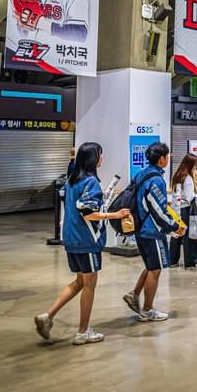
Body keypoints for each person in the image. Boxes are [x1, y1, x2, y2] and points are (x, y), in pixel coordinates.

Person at [34, 142, 131, 345]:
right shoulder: (90, 182)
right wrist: (116, 214)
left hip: (71, 239)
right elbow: (89, 214)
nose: (102, 159)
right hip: (86, 241)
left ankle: (48, 316)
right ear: (93, 159)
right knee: (89, 285)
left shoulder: (72, 181)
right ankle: (82, 331)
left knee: (80, 282)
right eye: (100, 155)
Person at [123, 142, 183, 322]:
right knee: (155, 270)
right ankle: (147, 310)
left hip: (141, 229)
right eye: (168, 155)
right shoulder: (156, 179)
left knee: (151, 267)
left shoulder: (141, 173)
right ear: (162, 159)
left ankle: (135, 294)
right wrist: (174, 226)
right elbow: (157, 210)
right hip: (152, 231)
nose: (169, 158)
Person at [169, 153, 197, 269]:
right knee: (187, 236)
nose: (196, 166)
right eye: (194, 164)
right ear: (190, 164)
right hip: (185, 210)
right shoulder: (188, 178)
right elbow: (190, 198)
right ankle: (189, 262)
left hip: (175, 210)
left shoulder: (177, 175)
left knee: (176, 235)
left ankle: (172, 260)